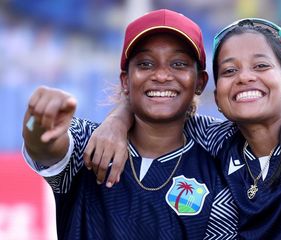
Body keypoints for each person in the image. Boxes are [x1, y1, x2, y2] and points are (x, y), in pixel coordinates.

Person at [86, 18, 281, 239]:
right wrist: (118, 118)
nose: (245, 77)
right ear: (217, 98)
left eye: (260, 66)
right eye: (229, 71)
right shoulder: (221, 142)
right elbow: (159, 109)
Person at [22, 9, 238, 239]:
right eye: (145, 64)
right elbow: (44, 147)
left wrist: (120, 115)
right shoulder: (89, 141)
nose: (162, 75)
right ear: (125, 80)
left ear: (200, 82)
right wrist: (39, 119)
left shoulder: (219, 153)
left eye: (178, 64)